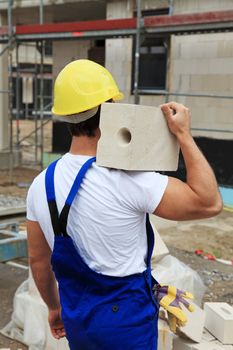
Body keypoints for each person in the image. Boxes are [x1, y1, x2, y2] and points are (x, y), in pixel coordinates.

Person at [27, 59, 222, 350]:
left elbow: (38, 262)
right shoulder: (131, 180)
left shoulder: (40, 185)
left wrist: (54, 310)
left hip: (78, 320)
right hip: (127, 326)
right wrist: (183, 134)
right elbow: (209, 203)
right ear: (109, 110)